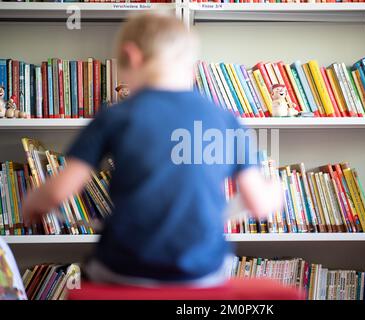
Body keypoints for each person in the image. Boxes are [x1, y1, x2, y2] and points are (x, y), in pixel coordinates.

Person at [21, 14, 282, 287]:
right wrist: (275, 190)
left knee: (88, 271)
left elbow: (58, 192)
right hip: (202, 272)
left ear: (131, 56)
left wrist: (32, 203)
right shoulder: (226, 119)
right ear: (192, 67)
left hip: (125, 269)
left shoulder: (115, 116)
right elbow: (259, 204)